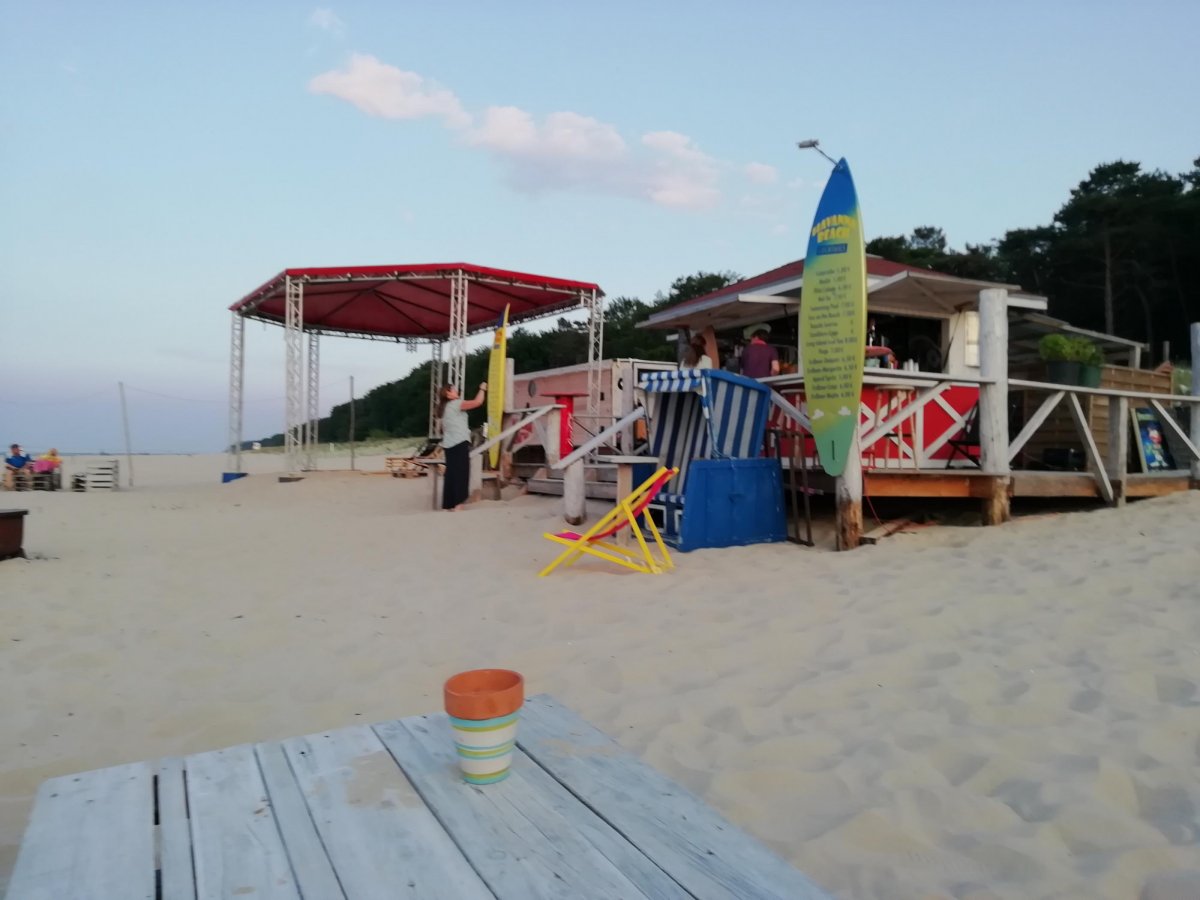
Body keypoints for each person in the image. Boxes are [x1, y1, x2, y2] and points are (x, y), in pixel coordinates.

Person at [437, 382, 487, 511]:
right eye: (453, 389)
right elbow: (478, 402)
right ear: (448, 393)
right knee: (461, 474)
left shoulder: (444, 409)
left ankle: (448, 504)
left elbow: (443, 428)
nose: (456, 390)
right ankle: (458, 505)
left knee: (451, 474)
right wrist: (482, 389)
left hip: (448, 444)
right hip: (459, 441)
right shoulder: (456, 404)